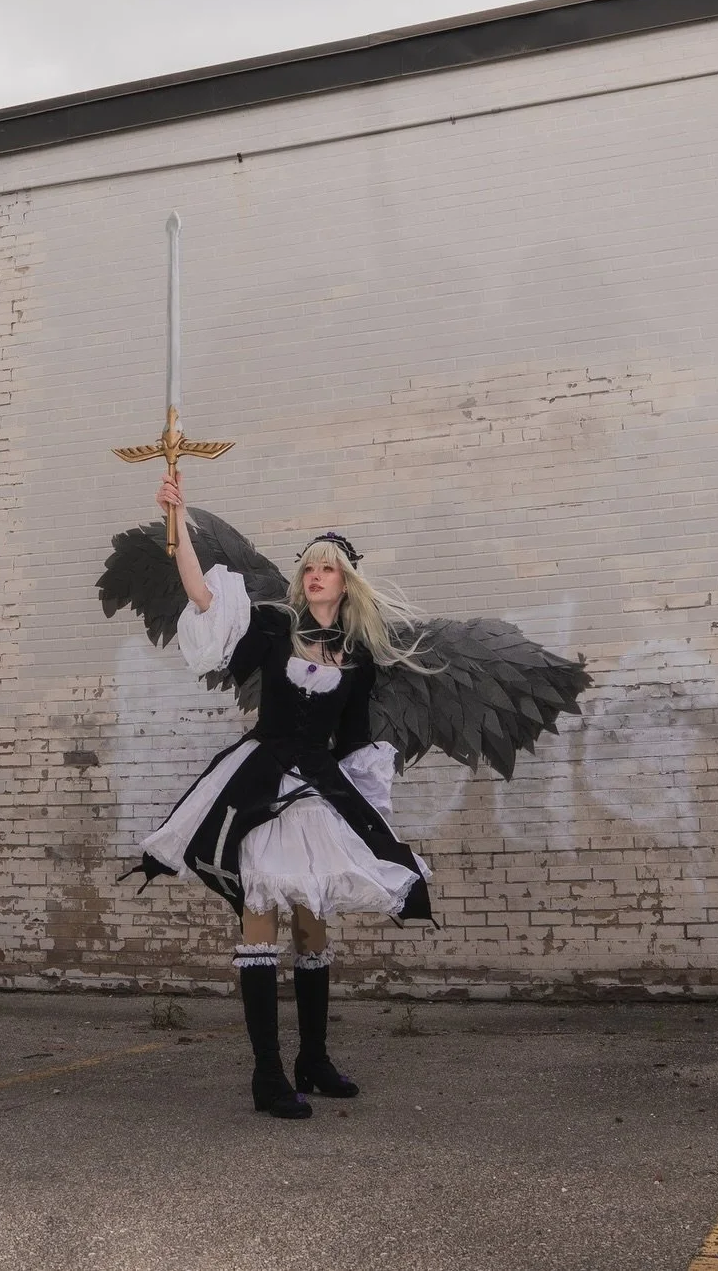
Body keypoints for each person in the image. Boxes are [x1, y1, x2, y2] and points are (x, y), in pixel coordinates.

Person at [134, 471, 433, 1120]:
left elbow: (355, 744)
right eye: (311, 567)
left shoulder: (359, 658)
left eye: (329, 569)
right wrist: (179, 525)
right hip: (263, 777)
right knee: (263, 909)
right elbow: (205, 600)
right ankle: (268, 1073)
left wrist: (365, 816)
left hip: (319, 788)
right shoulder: (272, 628)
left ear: (346, 581)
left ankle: (313, 1059)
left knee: (313, 920)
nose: (317, 575)